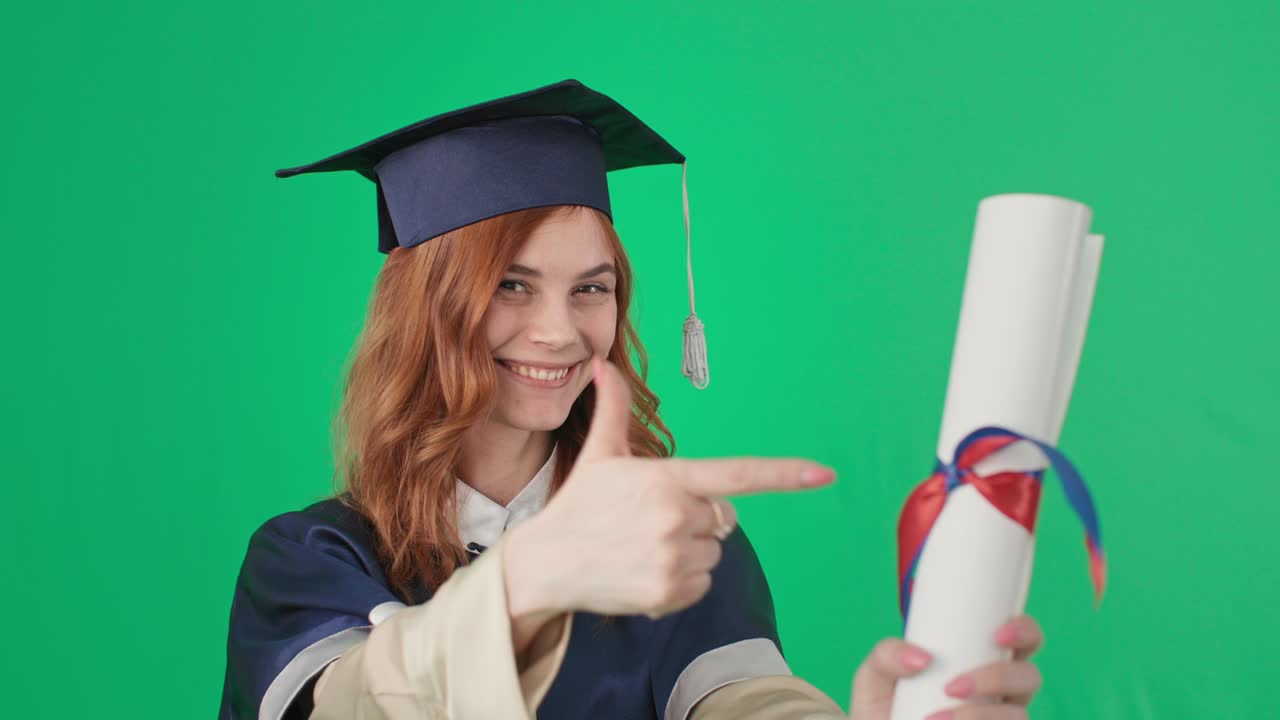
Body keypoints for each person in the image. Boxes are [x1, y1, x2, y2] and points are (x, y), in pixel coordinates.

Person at [218, 79, 1045, 720]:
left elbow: (747, 701)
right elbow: (352, 704)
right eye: (511, 285)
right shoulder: (312, 560)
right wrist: (531, 579)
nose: (559, 332)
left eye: (591, 287)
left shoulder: (665, 539)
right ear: (426, 311)